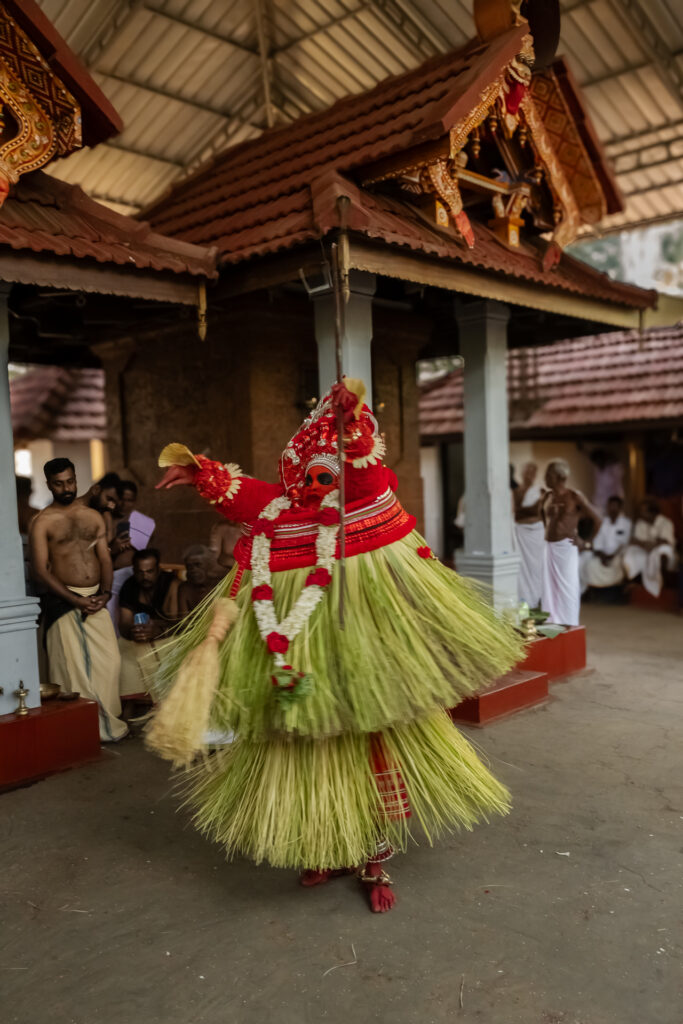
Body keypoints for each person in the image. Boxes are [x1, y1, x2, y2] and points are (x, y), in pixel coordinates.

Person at [148, 378, 523, 914]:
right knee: (306, 753)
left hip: (359, 655)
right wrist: (202, 474)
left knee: (369, 749)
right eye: (301, 476)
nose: (308, 486)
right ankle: (324, 847)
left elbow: (365, 473)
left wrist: (353, 425)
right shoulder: (284, 507)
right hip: (302, 658)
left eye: (321, 477)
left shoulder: (361, 493)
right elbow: (257, 498)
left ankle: (373, 862)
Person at [28, 458, 127, 742]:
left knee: (110, 662)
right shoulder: (42, 522)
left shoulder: (93, 516)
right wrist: (75, 599)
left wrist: (105, 594)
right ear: (49, 485)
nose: (66, 488)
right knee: (72, 671)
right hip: (64, 602)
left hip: (97, 598)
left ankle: (106, 721)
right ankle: (84, 733)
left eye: (70, 481)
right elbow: (40, 571)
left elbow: (104, 558)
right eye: (59, 484)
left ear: (75, 479)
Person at [541, 459, 601, 626]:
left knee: (567, 589)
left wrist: (586, 543)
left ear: (560, 477)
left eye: (549, 474)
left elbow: (598, 520)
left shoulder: (574, 496)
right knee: (550, 588)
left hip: (566, 547)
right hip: (549, 547)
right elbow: (545, 521)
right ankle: (552, 623)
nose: (545, 477)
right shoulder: (548, 497)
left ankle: (569, 625)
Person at [118, 548, 176, 696]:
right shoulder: (129, 586)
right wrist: (134, 632)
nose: (145, 576)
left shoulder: (171, 583)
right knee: (123, 654)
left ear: (158, 569)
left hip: (167, 636)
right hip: (141, 637)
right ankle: (133, 699)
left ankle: (163, 699)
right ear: (134, 570)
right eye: (140, 572)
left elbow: (177, 623)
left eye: (149, 571)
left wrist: (157, 630)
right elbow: (124, 623)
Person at [105, 479, 156, 634]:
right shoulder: (106, 520)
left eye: (130, 500)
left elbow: (146, 552)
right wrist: (113, 548)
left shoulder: (143, 523)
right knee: (111, 621)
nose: (124, 504)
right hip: (111, 577)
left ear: (135, 501)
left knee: (131, 618)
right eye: (122, 499)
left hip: (133, 576)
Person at [622, 499, 677, 598]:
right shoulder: (640, 522)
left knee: (661, 552)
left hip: (660, 549)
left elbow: (666, 541)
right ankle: (635, 581)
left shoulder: (665, 522)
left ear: (652, 513)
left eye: (643, 511)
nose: (641, 514)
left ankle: (660, 584)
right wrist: (645, 544)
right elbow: (636, 540)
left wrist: (653, 544)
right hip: (645, 549)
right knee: (630, 552)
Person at [579, 496, 631, 594]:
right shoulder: (602, 522)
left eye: (615, 506)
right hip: (602, 554)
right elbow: (598, 542)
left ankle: (619, 589)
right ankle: (587, 590)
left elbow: (624, 543)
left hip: (618, 554)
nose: (612, 509)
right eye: (610, 506)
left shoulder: (626, 523)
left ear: (620, 508)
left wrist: (612, 556)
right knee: (588, 563)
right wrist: (602, 555)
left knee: (624, 563)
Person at [514, 461, 544, 608]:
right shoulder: (517, 491)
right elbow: (516, 512)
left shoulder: (539, 491)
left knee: (536, 568)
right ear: (522, 473)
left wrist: (524, 510)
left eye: (532, 472)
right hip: (521, 534)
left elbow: (537, 510)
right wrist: (528, 510)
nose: (529, 475)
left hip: (535, 534)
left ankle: (538, 600)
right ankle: (525, 602)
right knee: (522, 570)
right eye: (527, 471)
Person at [167, 545, 215, 618]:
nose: (193, 570)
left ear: (209, 565)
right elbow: (183, 620)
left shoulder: (220, 585)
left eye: (198, 565)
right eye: (189, 566)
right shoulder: (185, 589)